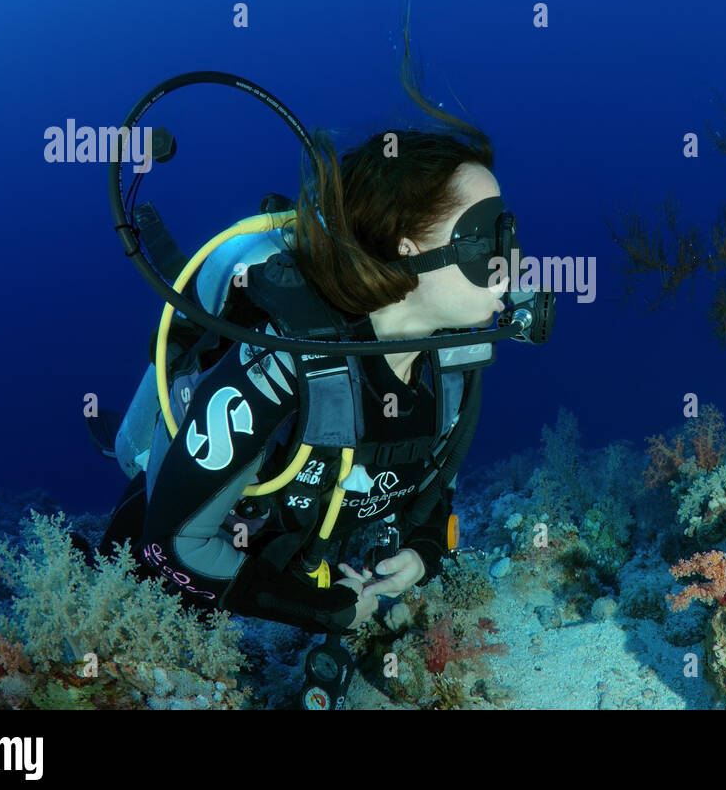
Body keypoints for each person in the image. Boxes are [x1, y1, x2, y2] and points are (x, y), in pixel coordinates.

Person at [93, 64, 531, 707]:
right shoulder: (283, 363)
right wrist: (327, 612)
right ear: (411, 248)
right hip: (169, 568)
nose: (512, 262)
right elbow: (172, 545)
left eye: (510, 234)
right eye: (491, 235)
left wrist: (421, 555)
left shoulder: (454, 365)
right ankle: (128, 441)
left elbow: (433, 493)